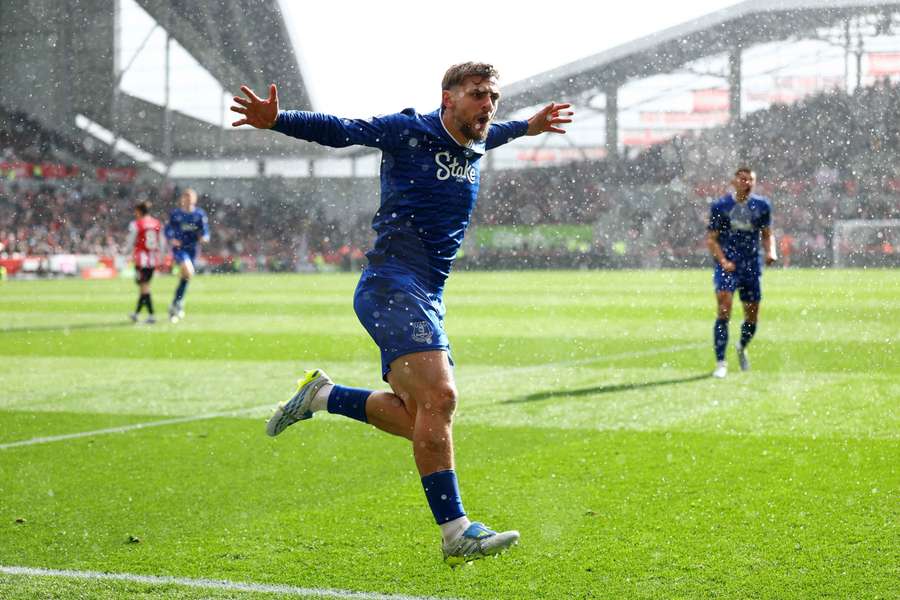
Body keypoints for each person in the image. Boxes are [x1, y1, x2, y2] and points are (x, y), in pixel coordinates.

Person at [231, 62, 573, 566]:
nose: (489, 105)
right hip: (392, 281)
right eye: (478, 94)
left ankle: (323, 396)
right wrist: (279, 120)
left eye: (494, 97)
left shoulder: (475, 138)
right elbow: (342, 130)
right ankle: (456, 532)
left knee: (420, 416)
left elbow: (491, 134)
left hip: (427, 292)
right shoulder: (409, 129)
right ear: (447, 98)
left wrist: (528, 126)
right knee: (442, 398)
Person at [706, 167, 777, 378]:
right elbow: (712, 239)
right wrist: (723, 260)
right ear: (734, 182)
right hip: (728, 265)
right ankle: (721, 363)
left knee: (752, 316)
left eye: (751, 180)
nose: (747, 183)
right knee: (724, 308)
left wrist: (771, 251)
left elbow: (767, 234)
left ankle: (741, 345)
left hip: (751, 266)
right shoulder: (721, 206)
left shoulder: (762, 206)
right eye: (743, 179)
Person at [164, 188, 209, 323]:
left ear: (194, 199)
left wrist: (205, 237)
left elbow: (205, 231)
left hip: (193, 250)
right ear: (182, 199)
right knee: (188, 272)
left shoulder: (199, 214)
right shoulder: (176, 214)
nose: (188, 199)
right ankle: (178, 304)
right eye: (186, 196)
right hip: (180, 249)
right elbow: (168, 229)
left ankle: (175, 304)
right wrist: (171, 238)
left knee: (186, 277)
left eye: (191, 197)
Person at [125, 200, 164, 324]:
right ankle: (136, 314)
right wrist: (161, 258)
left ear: (139, 211)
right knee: (144, 287)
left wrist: (126, 253)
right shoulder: (157, 223)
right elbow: (162, 243)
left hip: (141, 260)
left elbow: (130, 241)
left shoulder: (136, 224)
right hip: (152, 260)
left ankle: (152, 315)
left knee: (144, 287)